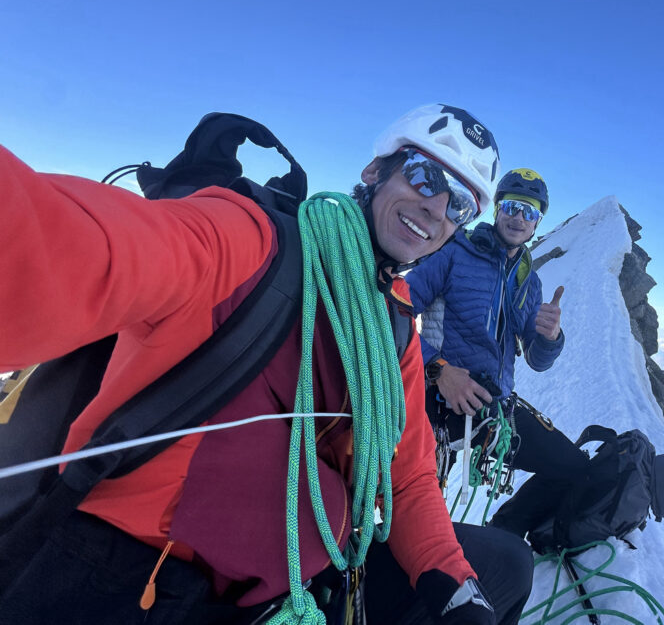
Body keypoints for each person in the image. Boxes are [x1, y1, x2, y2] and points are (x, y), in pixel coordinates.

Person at [0, 104, 533, 625]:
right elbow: (75, 246)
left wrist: (454, 586)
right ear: (375, 172)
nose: (437, 207)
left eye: (460, 202)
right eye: (424, 176)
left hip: (288, 590)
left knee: (506, 564)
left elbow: (408, 478)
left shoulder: (392, 327)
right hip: (129, 575)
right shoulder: (254, 241)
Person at [406, 168, 589, 539]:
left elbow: (536, 360)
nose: (518, 218)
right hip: (438, 405)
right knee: (417, 517)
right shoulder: (454, 252)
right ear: (497, 210)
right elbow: (396, 310)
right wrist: (439, 370)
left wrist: (551, 336)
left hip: (495, 411)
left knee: (574, 467)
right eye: (511, 206)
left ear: (538, 221)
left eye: (530, 212)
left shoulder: (529, 281)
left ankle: (504, 534)